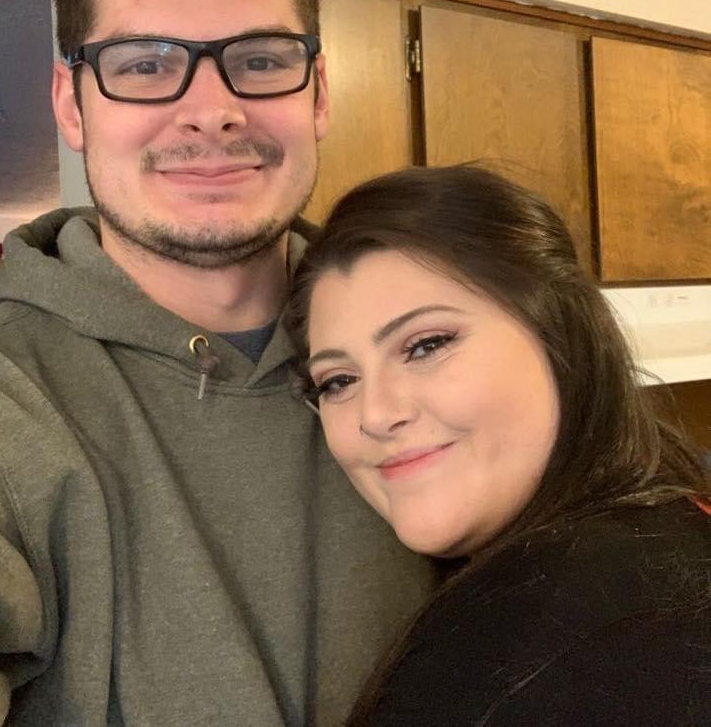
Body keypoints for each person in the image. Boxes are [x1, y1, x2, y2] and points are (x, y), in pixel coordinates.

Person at [0, 0, 435, 724]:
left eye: (260, 59)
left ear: (318, 92)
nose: (212, 110)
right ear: (72, 106)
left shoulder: (436, 351)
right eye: (144, 64)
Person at [285, 164, 711, 725]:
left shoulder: (545, 644)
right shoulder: (668, 530)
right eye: (338, 381)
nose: (377, 415)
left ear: (563, 335)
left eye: (427, 345)